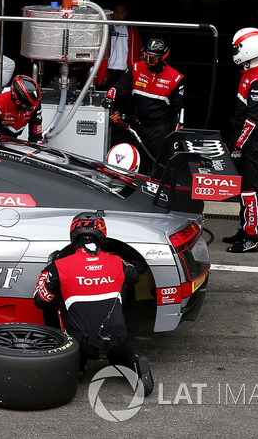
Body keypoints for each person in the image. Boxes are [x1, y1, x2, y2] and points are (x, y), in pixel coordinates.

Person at [33, 211, 153, 396]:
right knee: (123, 287)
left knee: (55, 300)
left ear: (73, 236)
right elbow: (134, 276)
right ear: (102, 236)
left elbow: (40, 301)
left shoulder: (60, 265)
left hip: (80, 343)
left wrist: (49, 269)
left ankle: (74, 363)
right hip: (118, 340)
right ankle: (134, 362)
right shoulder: (117, 261)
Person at [222, 27, 258, 253]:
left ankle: (252, 237)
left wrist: (239, 145)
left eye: (237, 48)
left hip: (251, 140)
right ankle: (244, 230)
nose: (234, 52)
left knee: (249, 189)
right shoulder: (250, 73)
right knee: (242, 188)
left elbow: (253, 119)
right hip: (244, 136)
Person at [101, 37, 185, 170]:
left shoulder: (175, 78)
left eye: (152, 59)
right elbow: (119, 86)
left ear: (163, 58)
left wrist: (175, 137)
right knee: (133, 164)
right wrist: (109, 97)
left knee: (157, 169)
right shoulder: (135, 68)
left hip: (159, 131)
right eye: (144, 57)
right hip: (137, 126)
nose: (147, 62)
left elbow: (178, 111)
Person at [0, 75, 43, 143]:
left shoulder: (35, 105)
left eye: (33, 106)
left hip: (10, 140)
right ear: (16, 98)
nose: (31, 108)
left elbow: (36, 136)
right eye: (27, 106)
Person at [98, 3, 142, 91]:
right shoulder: (106, 27)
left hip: (124, 70)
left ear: (126, 14)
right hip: (107, 70)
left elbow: (138, 49)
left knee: (123, 98)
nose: (119, 15)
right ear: (113, 13)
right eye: (117, 12)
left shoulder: (131, 29)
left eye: (122, 13)